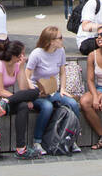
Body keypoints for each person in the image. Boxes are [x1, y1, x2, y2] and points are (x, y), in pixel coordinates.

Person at [0, 40, 42, 159]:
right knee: (23, 102)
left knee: (32, 95)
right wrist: (18, 98)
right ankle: (5, 102)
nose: (23, 56)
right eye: (21, 54)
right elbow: (0, 91)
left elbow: (23, 88)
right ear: (14, 55)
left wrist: (22, 68)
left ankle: (21, 149)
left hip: (4, 100)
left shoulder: (17, 65)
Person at [26, 26, 82, 154]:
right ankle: (37, 141)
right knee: (47, 107)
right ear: (51, 41)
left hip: (51, 90)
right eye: (60, 38)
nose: (62, 40)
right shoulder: (37, 53)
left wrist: (62, 89)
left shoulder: (60, 51)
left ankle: (72, 138)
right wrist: (33, 89)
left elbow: (62, 72)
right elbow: (26, 75)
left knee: (72, 103)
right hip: (37, 93)